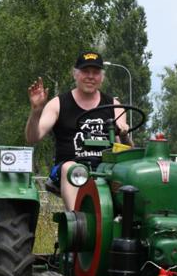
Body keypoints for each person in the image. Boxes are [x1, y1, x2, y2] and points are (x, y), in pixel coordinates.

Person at [25, 50, 129, 208]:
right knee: (71, 168)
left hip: (106, 169)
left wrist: (125, 134)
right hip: (71, 169)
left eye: (95, 72)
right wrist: (36, 111)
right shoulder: (58, 104)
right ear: (75, 74)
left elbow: (127, 150)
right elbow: (33, 137)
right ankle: (78, 223)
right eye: (85, 71)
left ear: (102, 77)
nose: (90, 76)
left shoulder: (115, 106)